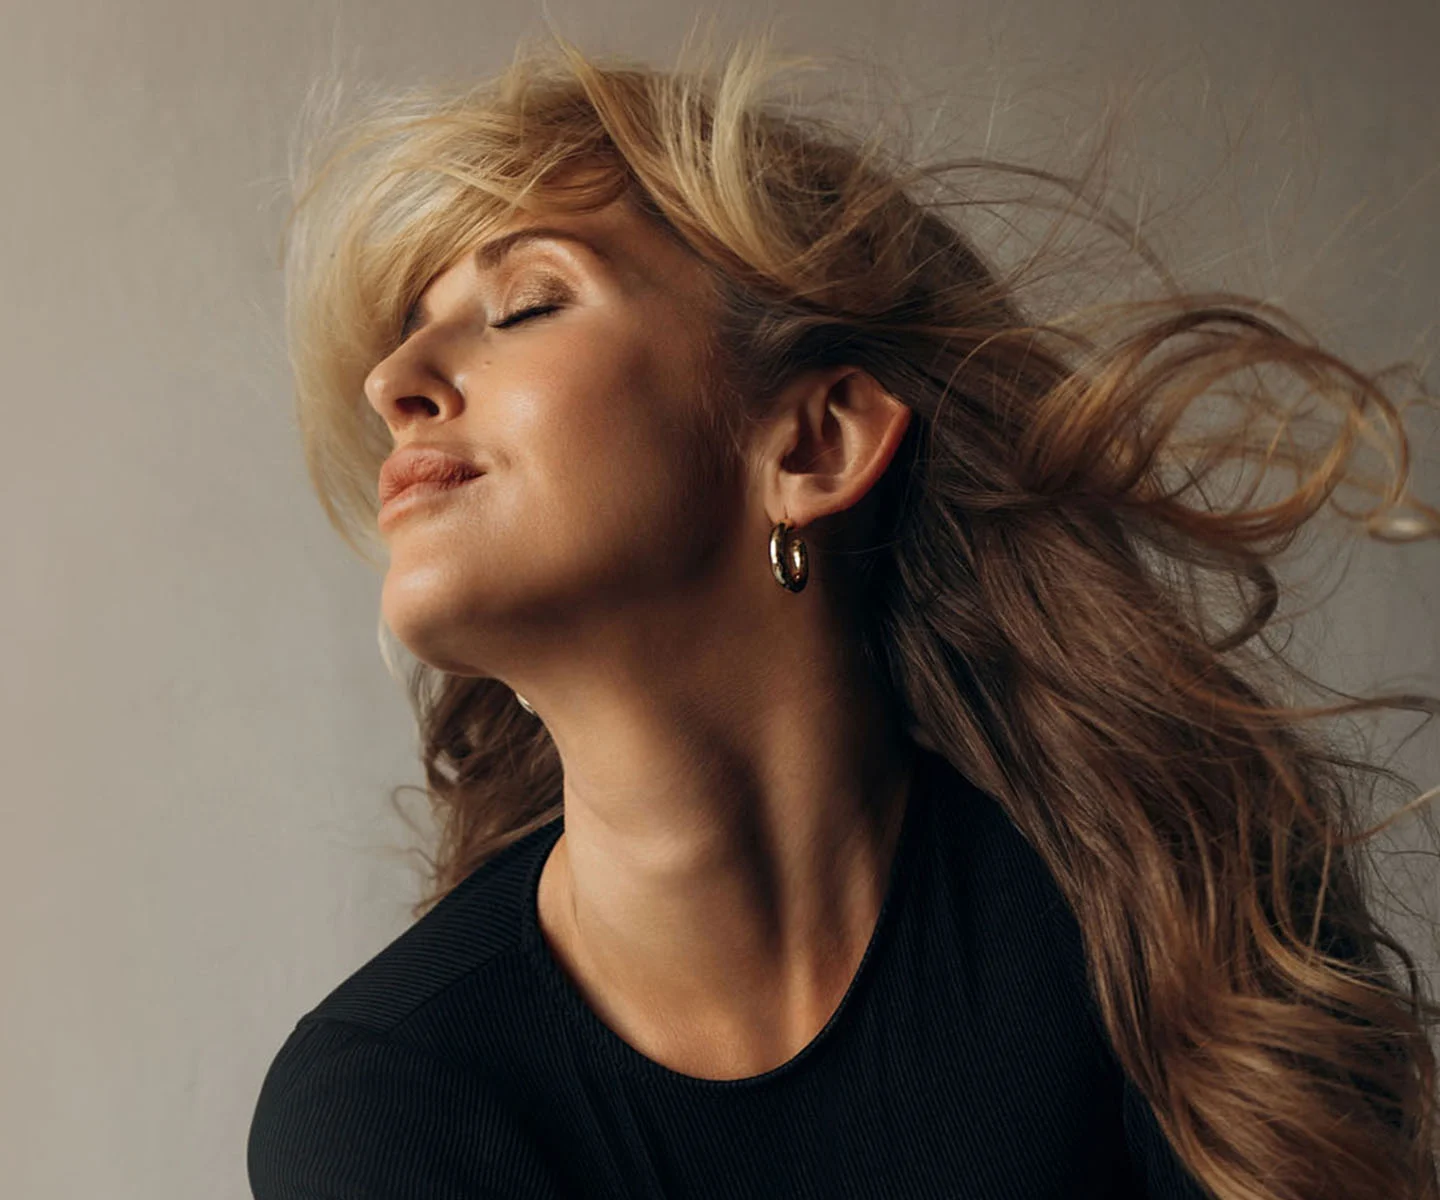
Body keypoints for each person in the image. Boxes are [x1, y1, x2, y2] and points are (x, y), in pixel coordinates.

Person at [247, 30, 1440, 1200]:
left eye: (524, 305)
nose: (391, 381)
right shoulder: (390, 1101)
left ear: (815, 442)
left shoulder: (1165, 909)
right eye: (410, 328)